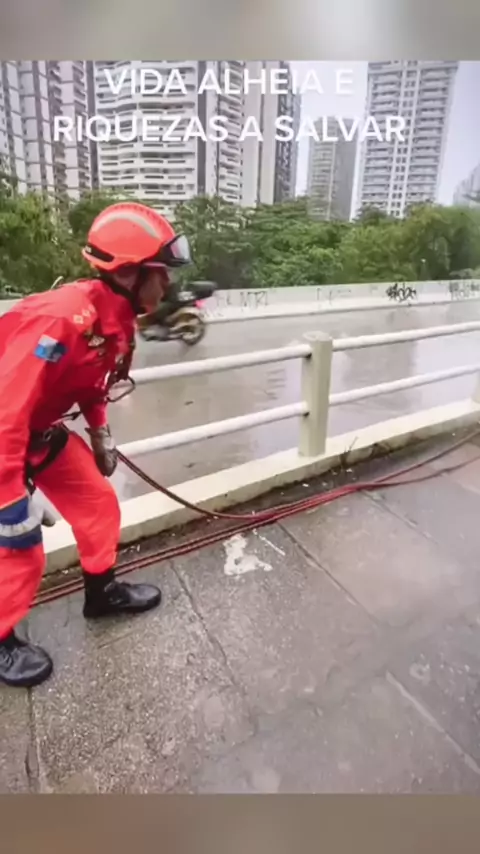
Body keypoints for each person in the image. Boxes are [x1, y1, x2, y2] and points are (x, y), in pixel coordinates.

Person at [0, 201, 191, 688]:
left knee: (98, 504)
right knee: (19, 548)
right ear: (129, 274)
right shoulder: (59, 321)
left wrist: (99, 431)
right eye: (160, 274)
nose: (167, 285)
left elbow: (91, 381)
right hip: (5, 436)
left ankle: (101, 594)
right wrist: (9, 500)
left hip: (37, 433)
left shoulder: (115, 319)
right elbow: (6, 411)